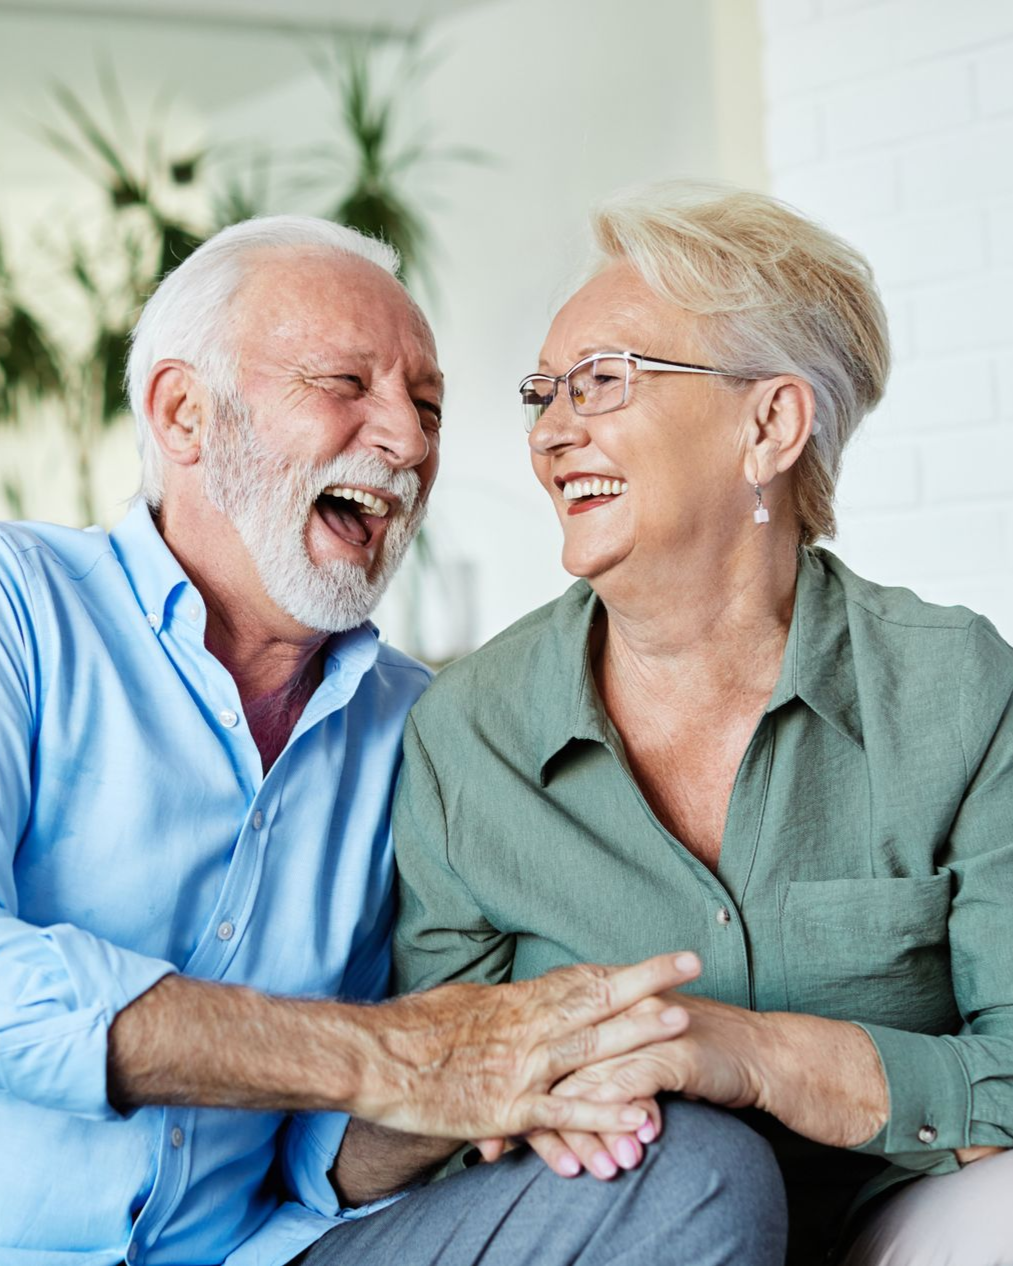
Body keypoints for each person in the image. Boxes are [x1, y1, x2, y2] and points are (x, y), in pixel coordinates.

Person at [0, 216, 784, 1265]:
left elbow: (328, 1162)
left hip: (263, 1251)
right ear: (183, 414)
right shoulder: (22, 608)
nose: (408, 443)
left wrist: (511, 1075)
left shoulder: (425, 727)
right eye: (345, 386)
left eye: (426, 407)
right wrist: (391, 1057)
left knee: (692, 1173)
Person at [391, 184, 1013, 1266]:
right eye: (543, 393)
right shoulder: (469, 739)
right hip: (622, 1214)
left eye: (601, 382)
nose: (551, 432)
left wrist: (754, 1054)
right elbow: (443, 1118)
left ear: (767, 423)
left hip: (897, 1218)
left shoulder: (949, 687)